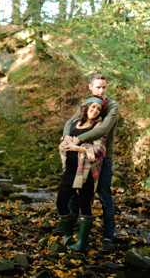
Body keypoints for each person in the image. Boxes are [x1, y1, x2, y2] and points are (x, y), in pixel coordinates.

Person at [61, 74, 119, 250]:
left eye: (104, 87)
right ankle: (76, 230)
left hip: (103, 156)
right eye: (98, 87)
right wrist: (66, 138)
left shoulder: (112, 106)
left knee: (104, 196)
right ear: (90, 87)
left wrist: (77, 141)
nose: (101, 91)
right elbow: (70, 122)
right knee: (74, 194)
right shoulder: (88, 103)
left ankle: (108, 236)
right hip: (79, 158)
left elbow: (102, 129)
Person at [57, 96, 107, 252]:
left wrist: (75, 147)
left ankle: (81, 243)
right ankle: (68, 237)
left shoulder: (98, 127)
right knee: (61, 203)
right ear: (86, 108)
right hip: (71, 170)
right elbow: (66, 140)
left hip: (86, 173)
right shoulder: (74, 123)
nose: (95, 110)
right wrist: (65, 144)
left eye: (98, 109)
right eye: (93, 107)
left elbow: (99, 151)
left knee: (85, 206)